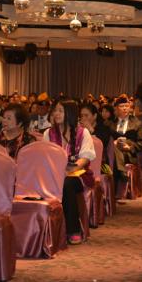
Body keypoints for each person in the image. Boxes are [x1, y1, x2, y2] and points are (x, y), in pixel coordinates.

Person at [44, 100, 96, 245]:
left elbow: (85, 158)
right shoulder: (48, 133)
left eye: (60, 111)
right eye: (55, 110)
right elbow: (45, 156)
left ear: (70, 113)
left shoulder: (82, 132)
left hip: (78, 175)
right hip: (54, 174)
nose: (56, 114)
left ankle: (73, 229)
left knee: (67, 184)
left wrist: (71, 169)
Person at [110, 96, 142, 180]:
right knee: (114, 146)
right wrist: (113, 143)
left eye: (126, 106)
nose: (124, 108)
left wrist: (130, 148)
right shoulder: (110, 123)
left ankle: (121, 171)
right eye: (121, 106)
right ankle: (121, 171)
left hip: (129, 154)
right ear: (116, 108)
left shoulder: (137, 123)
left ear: (130, 108)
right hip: (113, 152)